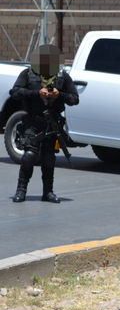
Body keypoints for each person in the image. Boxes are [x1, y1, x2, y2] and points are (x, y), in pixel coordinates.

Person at [11, 44, 79, 203]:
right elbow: (15, 92)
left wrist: (59, 95)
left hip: (52, 123)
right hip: (33, 121)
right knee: (29, 156)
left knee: (49, 158)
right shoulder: (28, 74)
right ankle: (21, 190)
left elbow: (74, 99)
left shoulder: (62, 77)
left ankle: (48, 192)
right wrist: (36, 93)